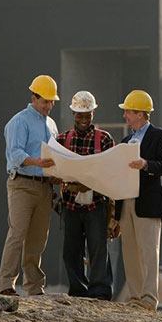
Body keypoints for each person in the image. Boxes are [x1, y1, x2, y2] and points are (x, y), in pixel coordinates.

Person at [0, 75, 60, 297]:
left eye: (52, 102)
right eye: (45, 101)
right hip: (22, 184)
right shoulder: (19, 121)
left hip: (44, 187)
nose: (49, 105)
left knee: (38, 238)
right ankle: (6, 284)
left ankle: (34, 286)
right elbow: (14, 154)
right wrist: (36, 162)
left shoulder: (51, 124)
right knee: (17, 233)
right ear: (34, 97)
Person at [56, 91, 116, 300]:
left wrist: (89, 184)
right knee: (71, 250)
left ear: (93, 113)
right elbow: (55, 173)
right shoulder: (62, 139)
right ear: (73, 114)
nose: (83, 120)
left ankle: (99, 291)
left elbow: (111, 174)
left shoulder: (105, 139)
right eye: (79, 115)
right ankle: (78, 290)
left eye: (87, 115)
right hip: (71, 205)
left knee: (98, 248)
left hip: (96, 203)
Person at [115, 89, 162, 310]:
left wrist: (145, 164)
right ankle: (136, 297)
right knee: (129, 251)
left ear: (140, 113)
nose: (125, 116)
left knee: (149, 251)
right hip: (127, 200)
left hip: (147, 202)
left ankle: (149, 299)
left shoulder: (160, 136)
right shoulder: (126, 140)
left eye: (128, 111)